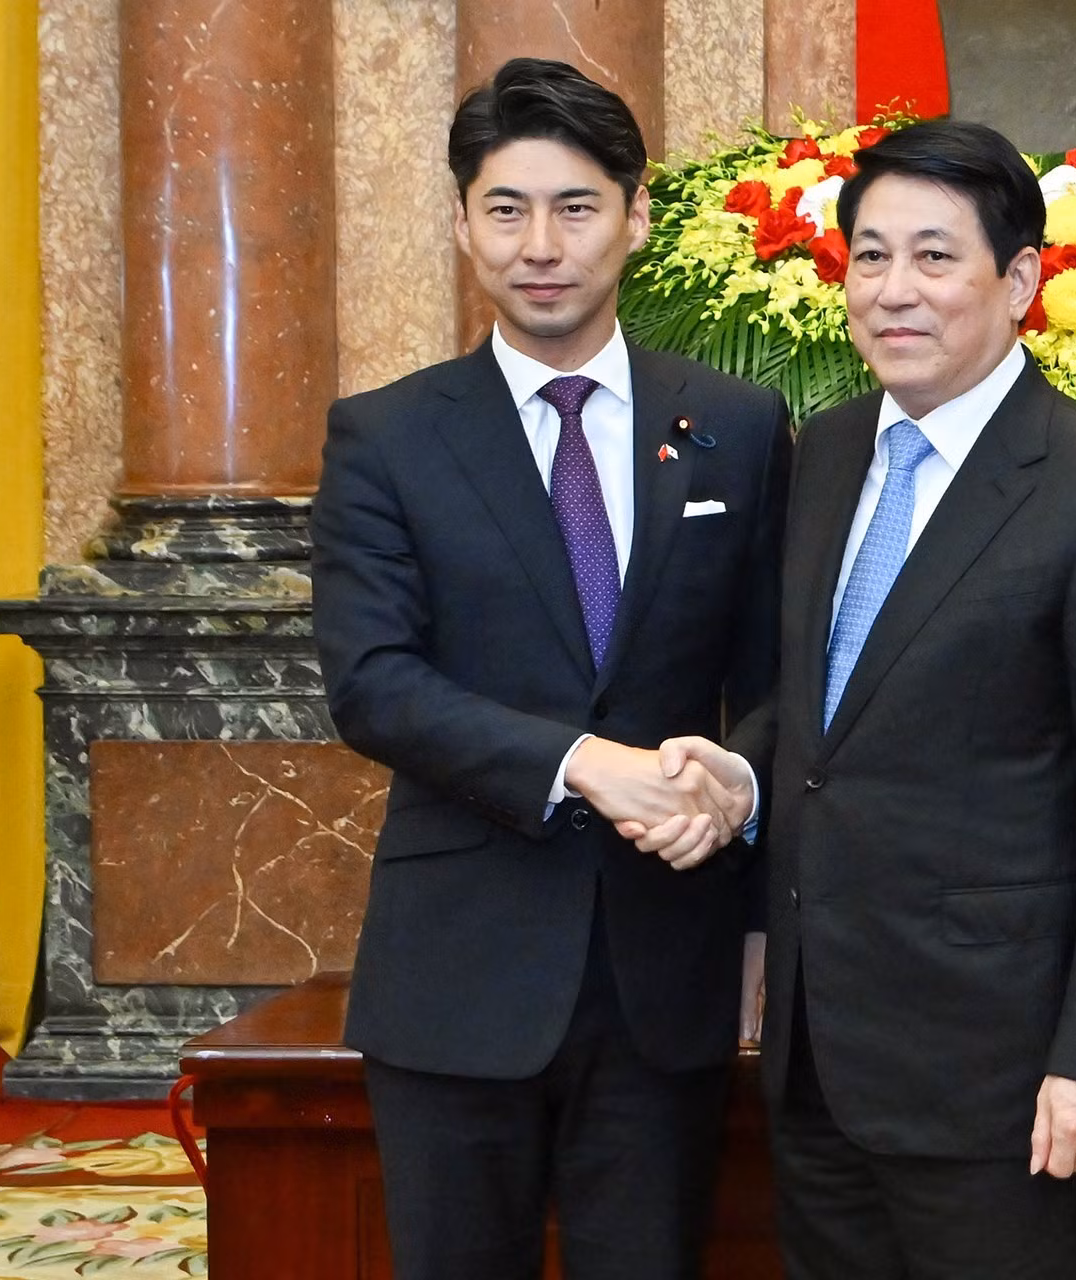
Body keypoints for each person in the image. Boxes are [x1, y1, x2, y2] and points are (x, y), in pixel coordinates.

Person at [636, 120, 1076, 1277]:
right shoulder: (831, 450)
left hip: (1002, 1076)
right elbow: (820, 706)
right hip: (819, 1058)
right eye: (870, 256)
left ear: (1022, 281)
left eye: (936, 257)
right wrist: (740, 773)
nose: (895, 290)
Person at [310, 56, 787, 1280]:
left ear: (634, 215)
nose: (541, 244)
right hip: (457, 972)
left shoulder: (732, 423)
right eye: (505, 208)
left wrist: (734, 780)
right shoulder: (389, 435)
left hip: (664, 973)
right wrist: (585, 766)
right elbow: (372, 679)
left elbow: (780, 673)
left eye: (575, 206)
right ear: (464, 225)